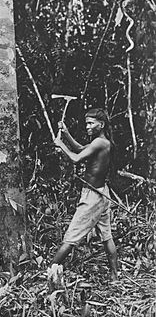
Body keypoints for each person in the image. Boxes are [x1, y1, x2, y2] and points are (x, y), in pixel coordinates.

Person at [52, 108, 118, 281]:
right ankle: (114, 277)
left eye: (91, 123)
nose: (87, 126)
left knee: (71, 237)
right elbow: (81, 148)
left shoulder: (100, 143)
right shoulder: (100, 142)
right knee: (106, 236)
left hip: (93, 197)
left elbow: (76, 158)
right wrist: (66, 133)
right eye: (86, 123)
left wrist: (61, 145)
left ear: (101, 124)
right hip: (102, 193)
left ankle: (49, 273)